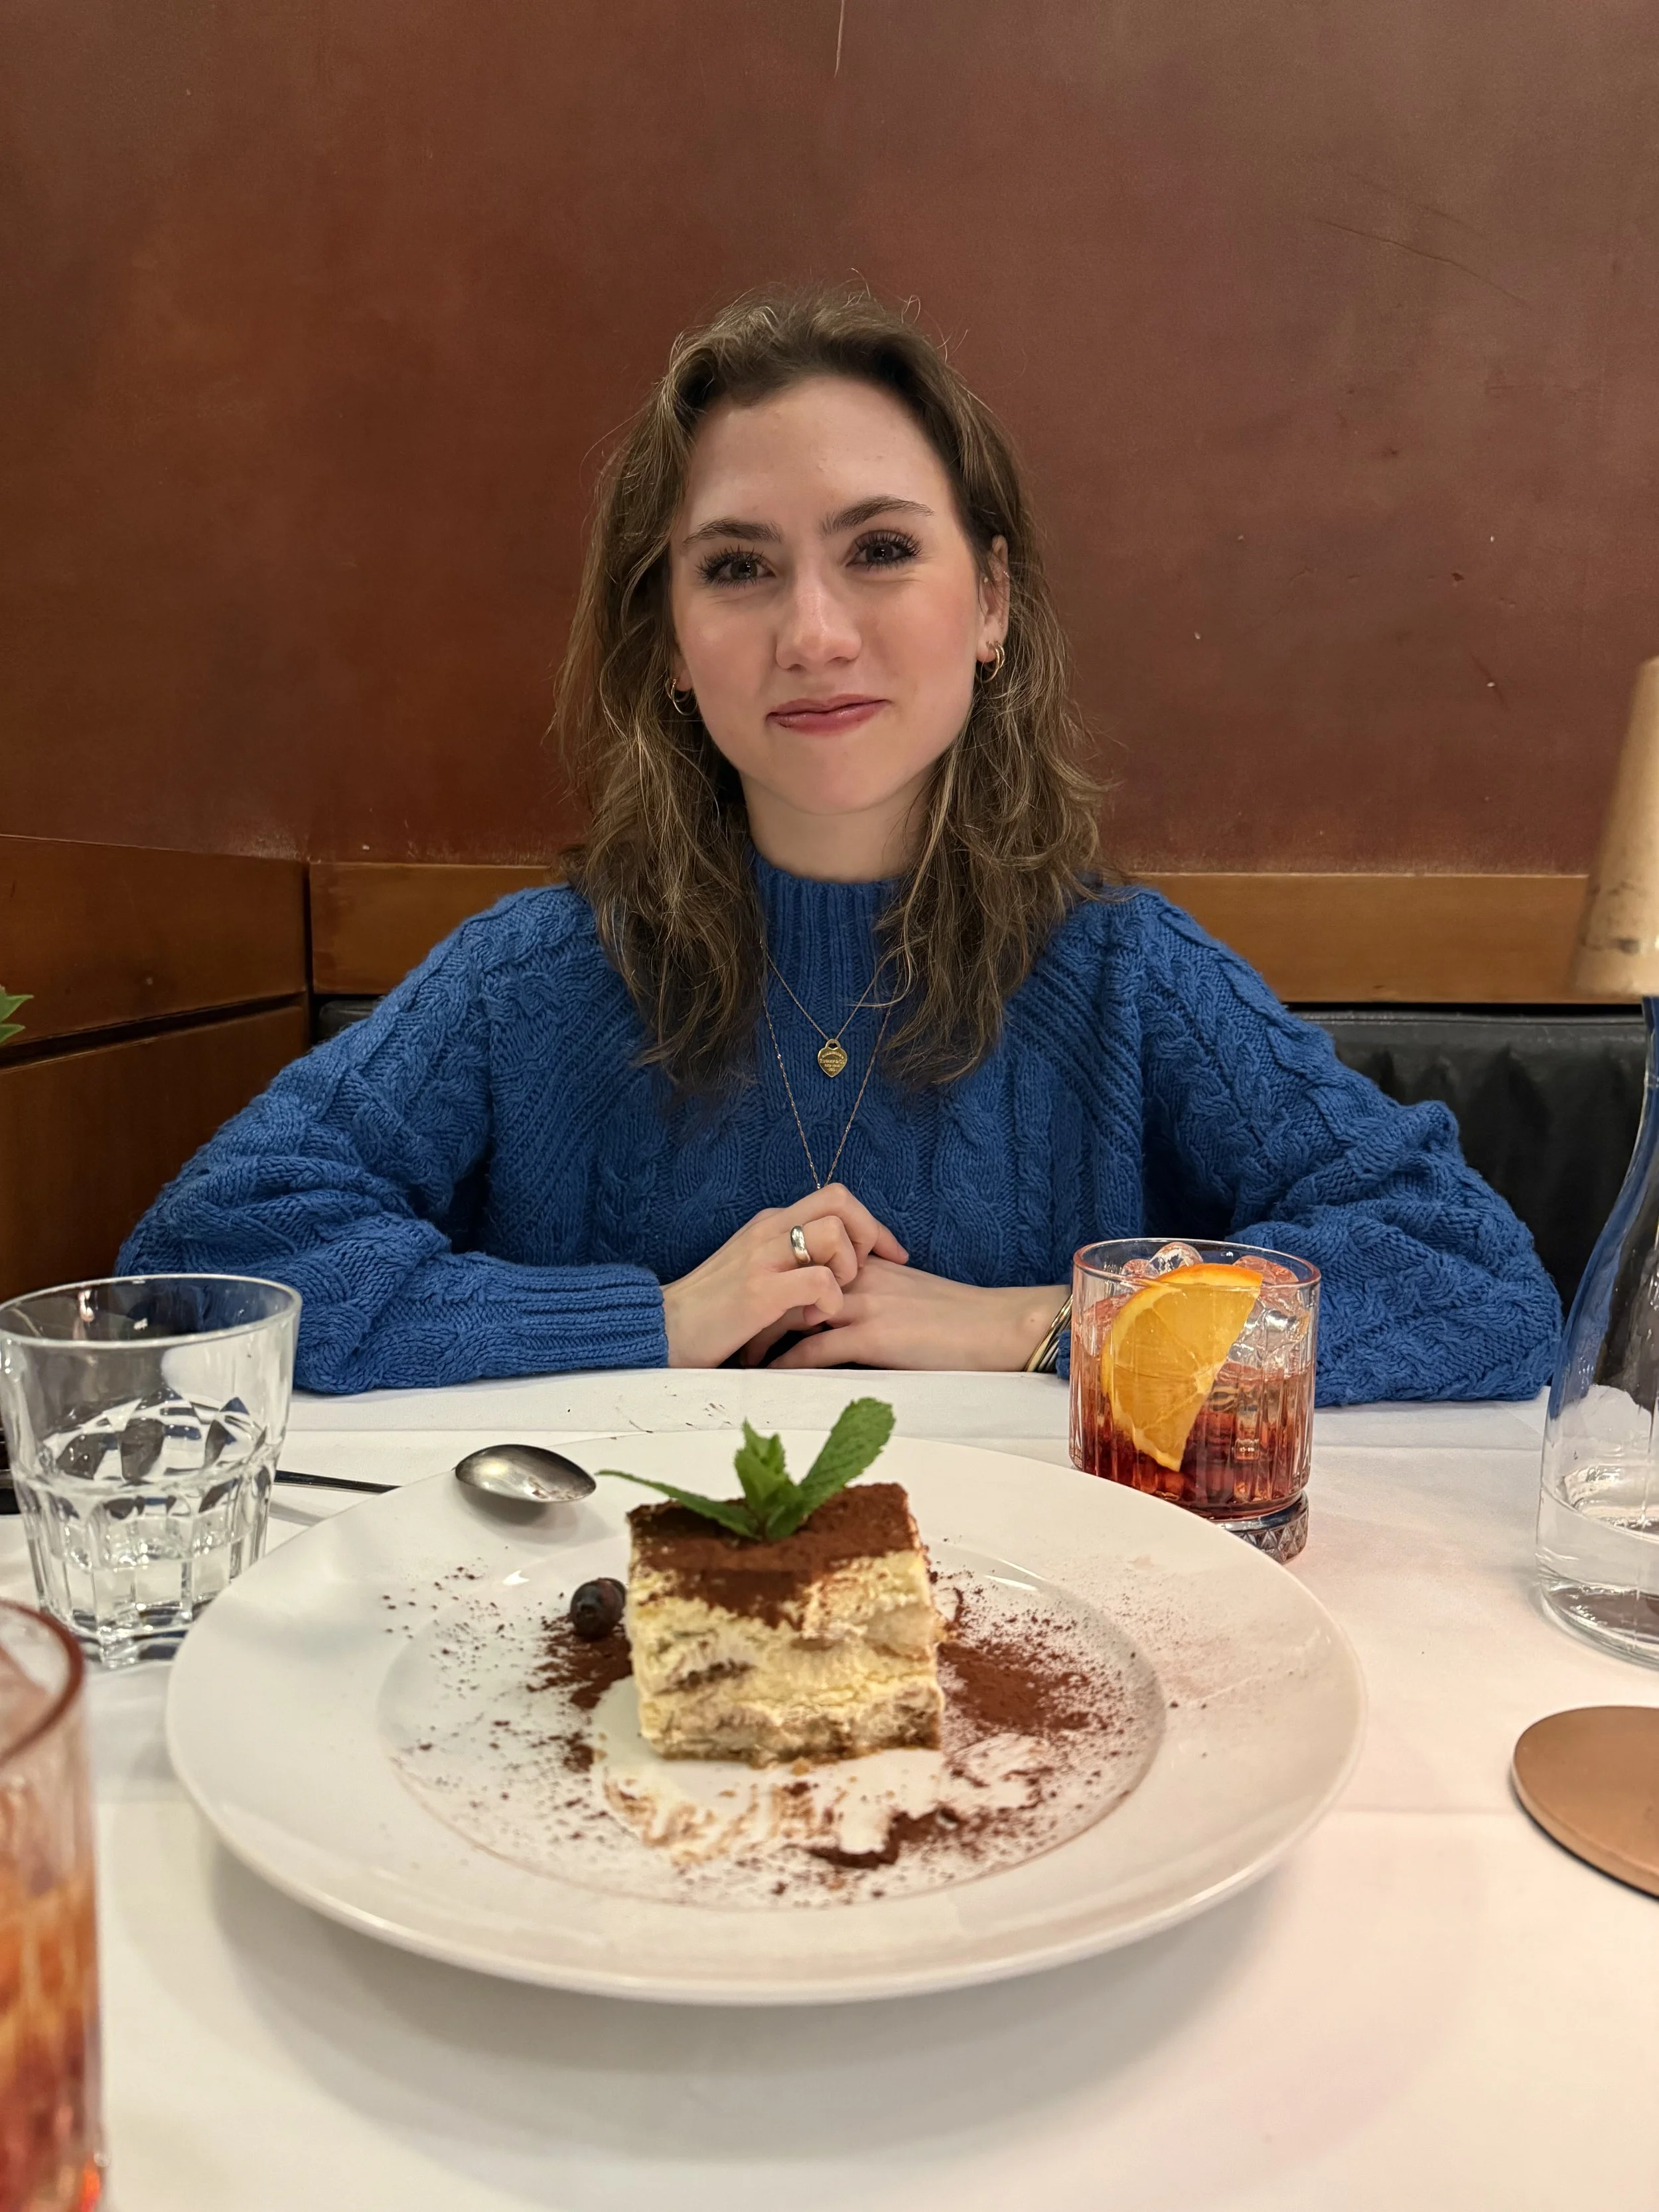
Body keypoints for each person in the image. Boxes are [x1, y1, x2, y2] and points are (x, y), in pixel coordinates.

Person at [120, 286, 1560, 1400]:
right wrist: (653, 1318)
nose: (812, 633)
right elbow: (196, 1272)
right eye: (737, 567)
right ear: (669, 645)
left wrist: (1036, 1323)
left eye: (880, 550)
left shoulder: (1127, 976)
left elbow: (1475, 1283)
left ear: (991, 603)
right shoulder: (533, 979)